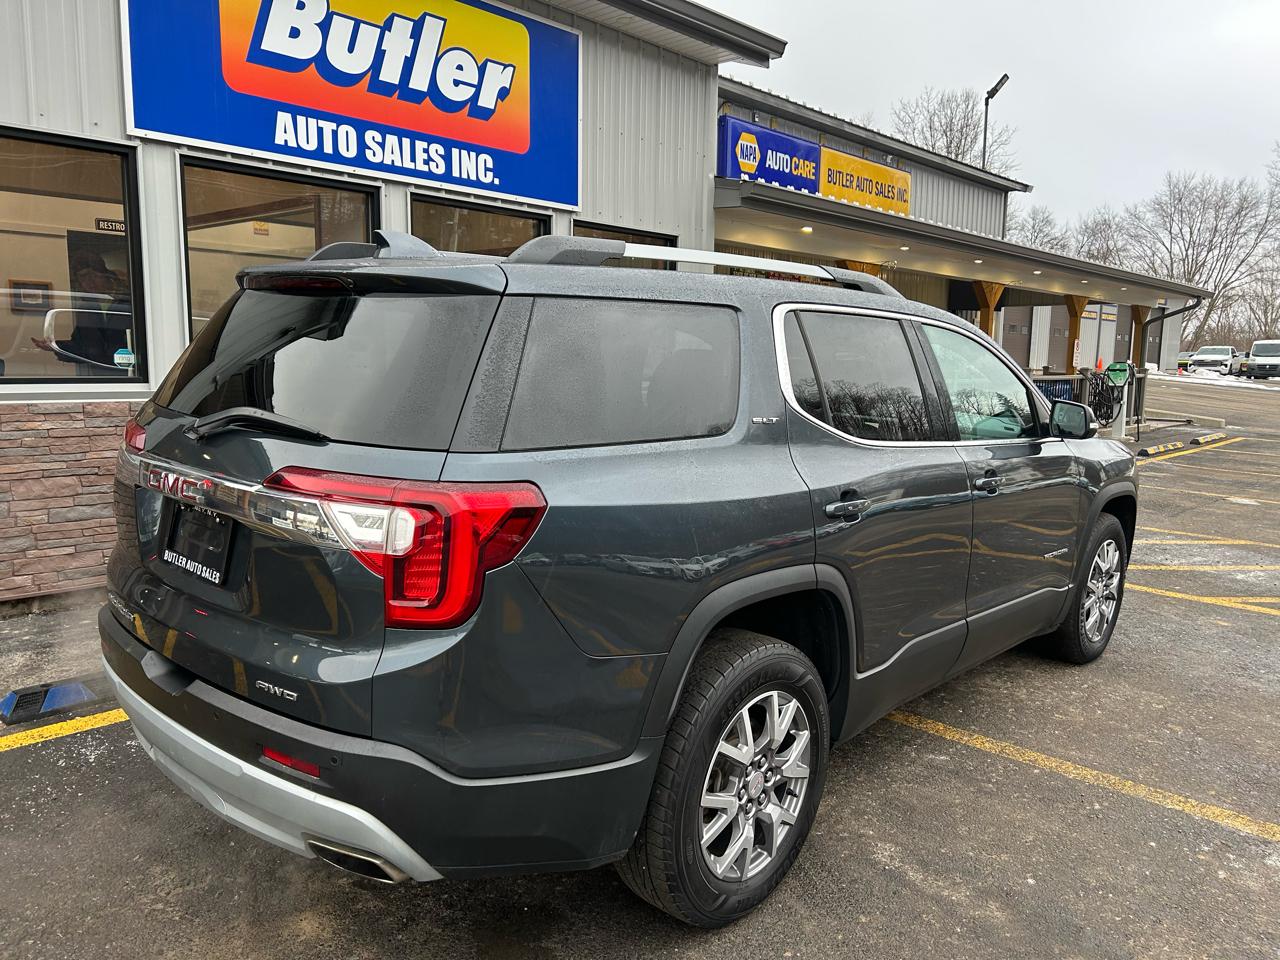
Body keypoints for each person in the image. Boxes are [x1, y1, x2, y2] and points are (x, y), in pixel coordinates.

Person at [29, 250, 132, 375]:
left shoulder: (131, 299)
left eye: (93, 275)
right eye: (83, 278)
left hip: (137, 374)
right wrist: (56, 346)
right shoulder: (86, 308)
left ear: (104, 274)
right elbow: (83, 347)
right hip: (102, 375)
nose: (89, 282)